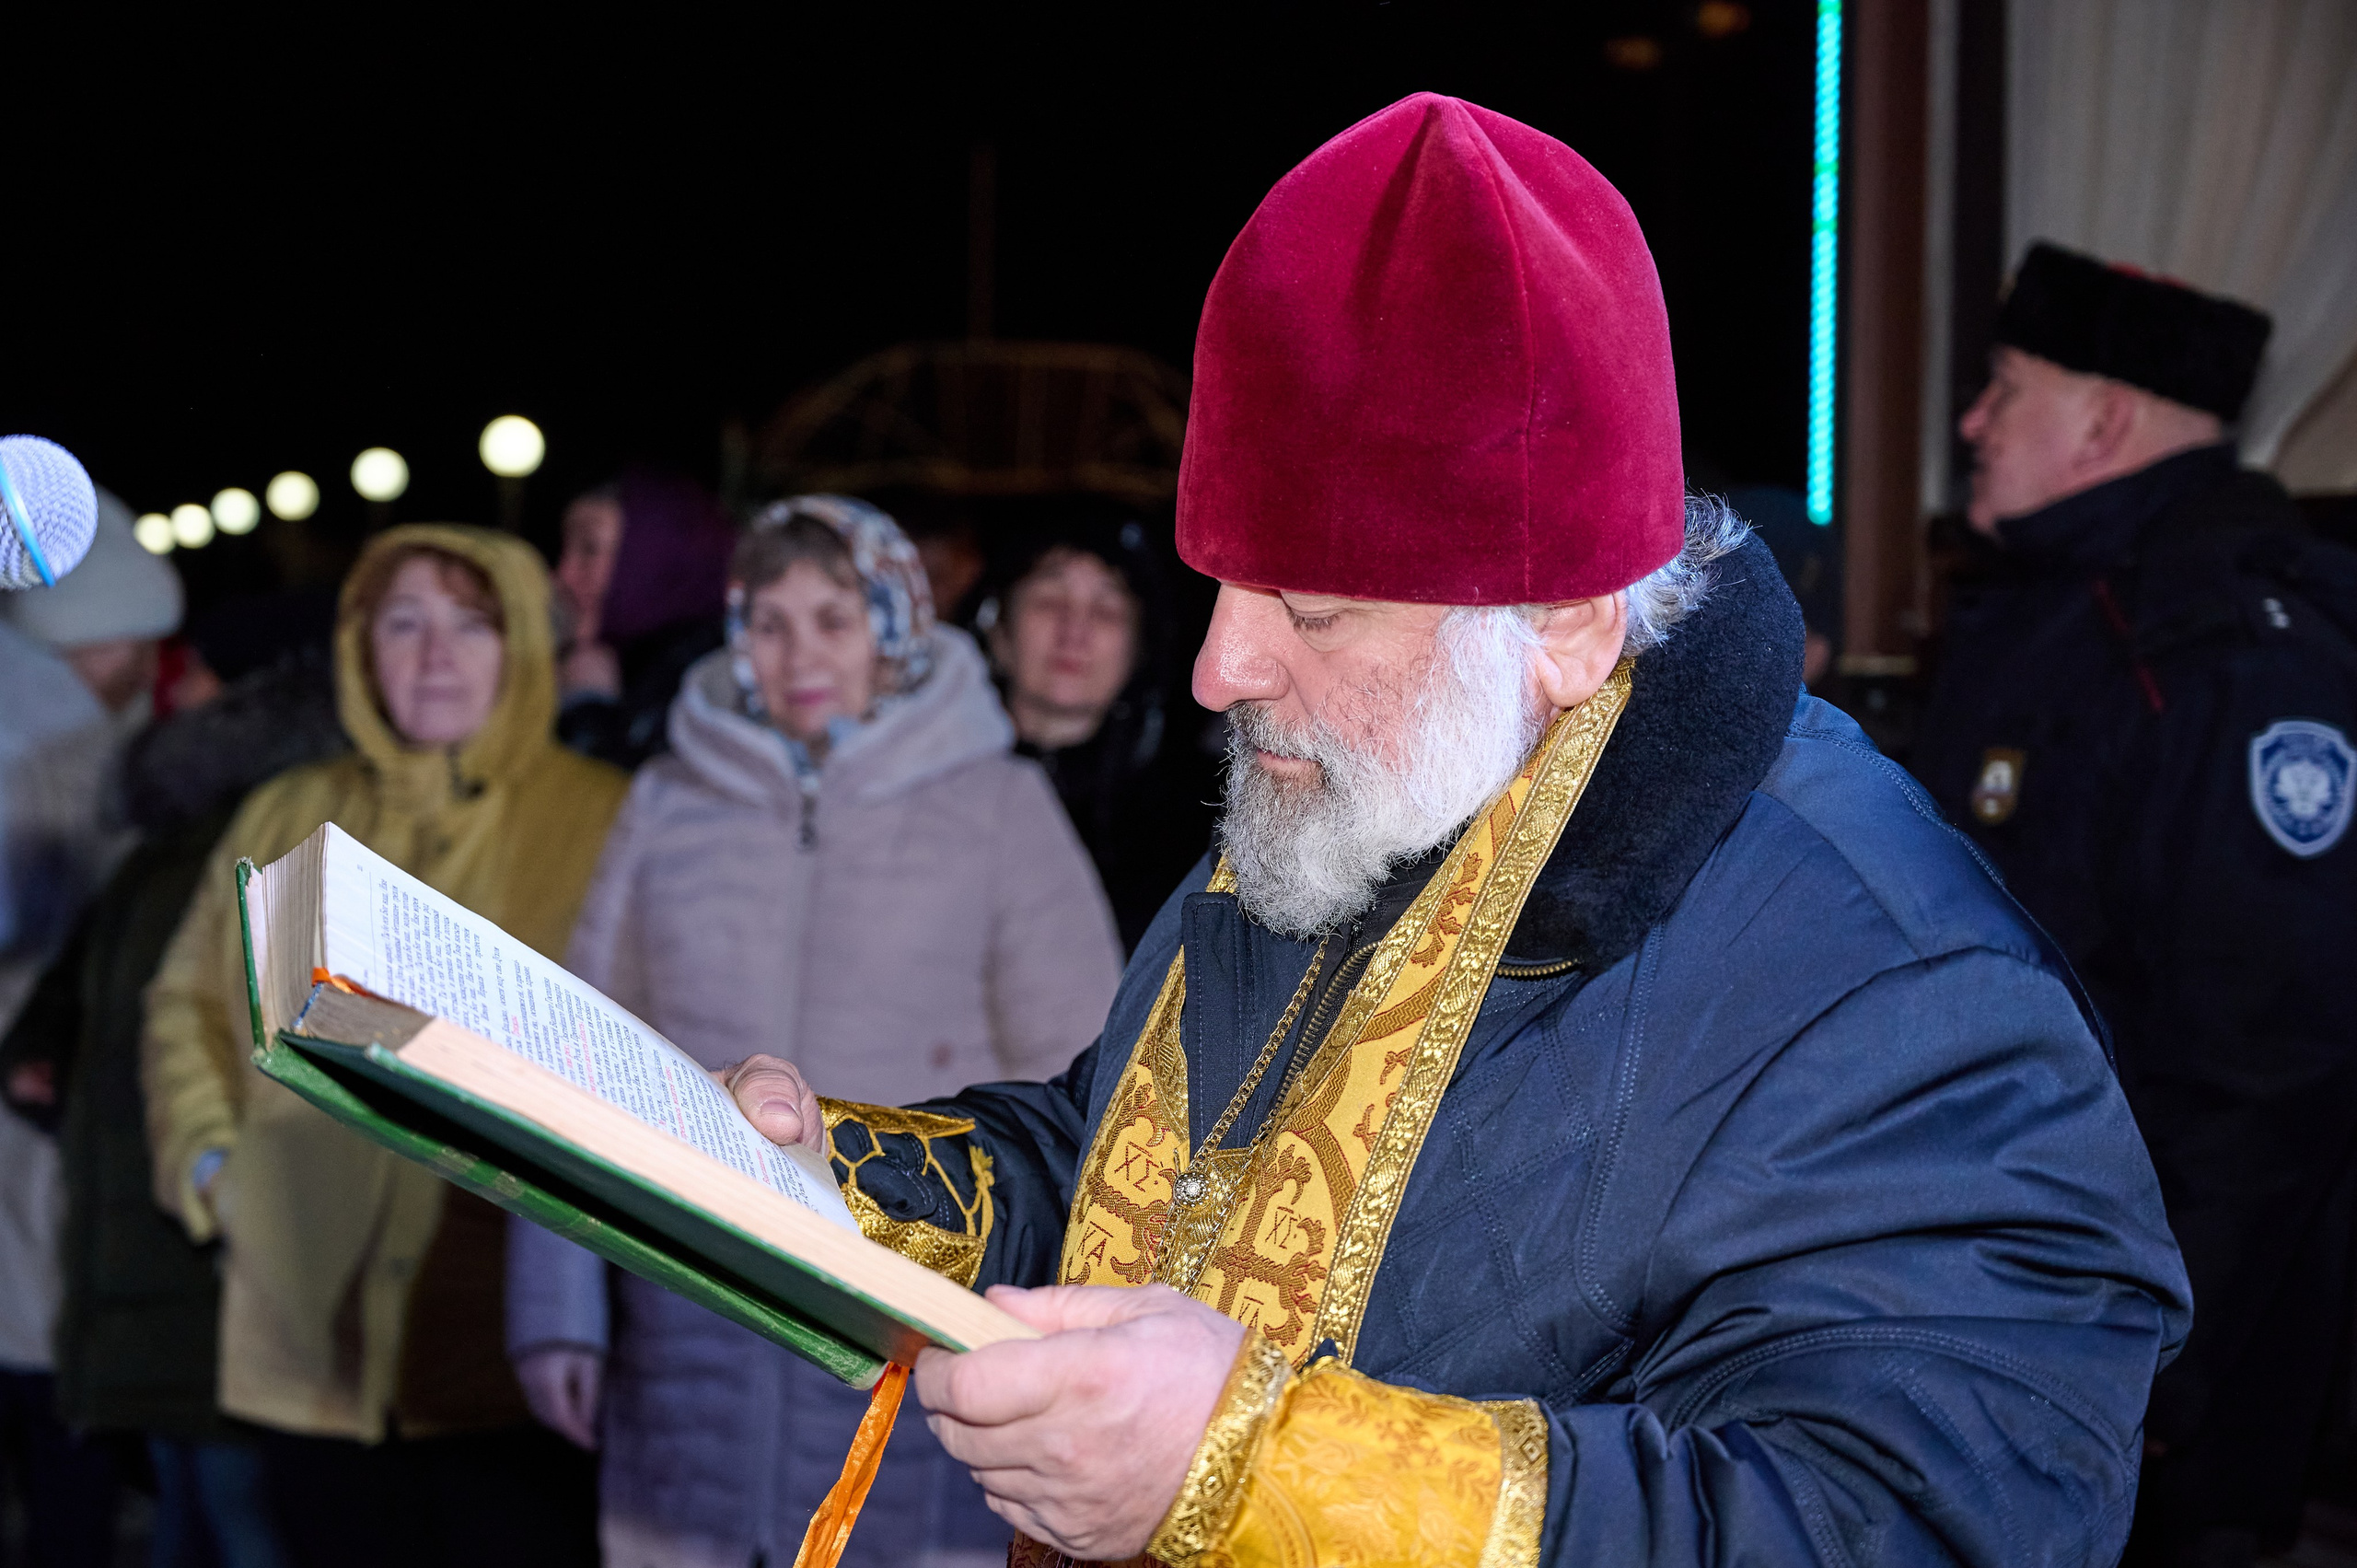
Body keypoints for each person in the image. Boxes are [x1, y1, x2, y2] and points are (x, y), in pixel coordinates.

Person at [707, 96, 2189, 1568]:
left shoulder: (1904, 993)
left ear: (1558, 623)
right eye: (1221, 585)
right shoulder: (1384, 772)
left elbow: (1922, 1523)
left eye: (1314, 604)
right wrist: (831, 1181)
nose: (1219, 668)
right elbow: (1133, 1176)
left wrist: (1252, 1467)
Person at [505, 494, 1121, 1568]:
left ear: (894, 631)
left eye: (834, 619)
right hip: (691, 1328)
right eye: (768, 620)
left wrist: (1067, 1349)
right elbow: (575, 1054)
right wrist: (557, 1304)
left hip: (910, 1343)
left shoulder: (1000, 806)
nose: (800, 653)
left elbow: (1092, 1099)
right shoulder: (664, 805)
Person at [1909, 242, 2357, 1568]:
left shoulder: (2231, 650)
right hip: (2002, 1310)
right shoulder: (2059, 607)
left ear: (2105, 419)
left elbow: (2266, 1069)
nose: (1973, 424)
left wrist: (2157, 1358)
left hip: (2142, 1380)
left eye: (2004, 387)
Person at [141, 526, 629, 1568]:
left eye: (471, 623)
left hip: (508, 1352)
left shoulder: (606, 817)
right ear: (362, 647)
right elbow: (189, 1003)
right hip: (307, 1337)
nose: (434, 654)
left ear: (524, 650)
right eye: (402, 622)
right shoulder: (288, 810)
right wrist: (214, 1169)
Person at [2, 650, 343, 1568]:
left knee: (222, 1517)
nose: (182, 684)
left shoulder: (226, 851)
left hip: (201, 1258)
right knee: (209, 1514)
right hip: (177, 1241)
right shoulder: (170, 857)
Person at [0, 490, 182, 1568]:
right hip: (40, 1100)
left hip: (45, 1101)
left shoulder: (92, 743)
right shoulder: (71, 753)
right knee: (46, 1353)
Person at [981, 510, 1220, 950]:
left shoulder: (1199, 821)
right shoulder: (936, 787)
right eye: (1049, 602)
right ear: (997, 629)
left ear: (1140, 649)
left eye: (1107, 610)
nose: (1075, 632)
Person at [552, 471, 737, 770]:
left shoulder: (716, 678)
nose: (565, 574)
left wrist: (588, 708)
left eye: (590, 549)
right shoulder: (610, 660)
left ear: (658, 556)